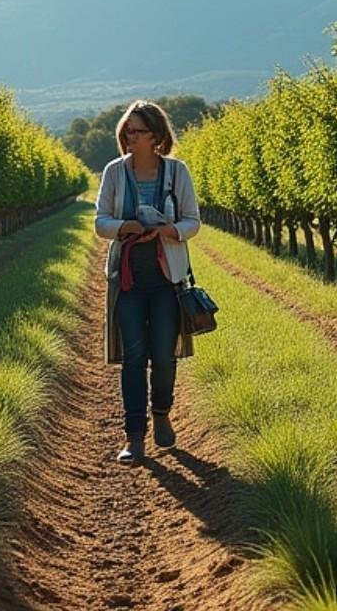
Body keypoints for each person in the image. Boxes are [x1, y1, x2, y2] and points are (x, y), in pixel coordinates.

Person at [93, 100, 202, 464]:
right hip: (127, 280)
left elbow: (193, 221)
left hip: (166, 280)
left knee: (164, 356)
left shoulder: (176, 172)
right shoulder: (113, 172)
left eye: (137, 131)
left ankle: (162, 415)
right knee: (135, 357)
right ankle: (134, 436)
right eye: (126, 131)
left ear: (155, 136)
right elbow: (100, 221)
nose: (129, 137)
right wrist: (125, 227)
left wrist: (167, 230)